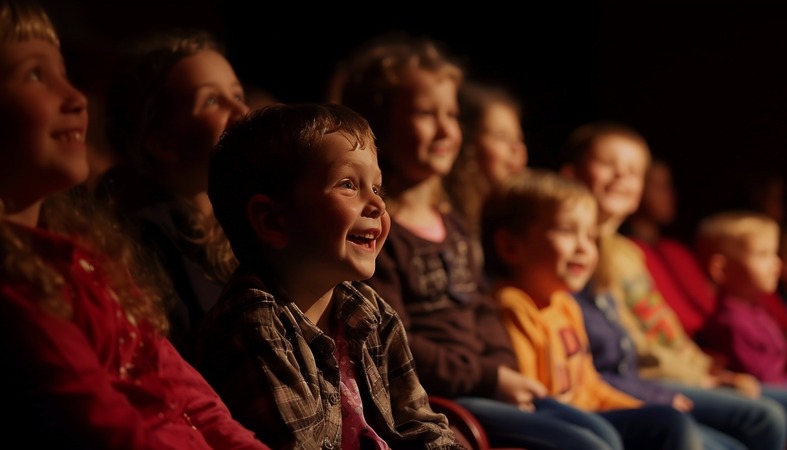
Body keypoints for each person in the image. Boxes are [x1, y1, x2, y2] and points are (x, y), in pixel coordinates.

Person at [331, 32, 629, 450]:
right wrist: (490, 378)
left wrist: (503, 371)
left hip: (490, 385)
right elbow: (394, 339)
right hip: (440, 397)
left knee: (603, 433)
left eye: (450, 114)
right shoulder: (379, 231)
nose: (444, 129)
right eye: (424, 114)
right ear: (378, 124)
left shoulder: (453, 224)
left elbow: (484, 311)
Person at [0, 1, 270, 448]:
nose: (76, 97)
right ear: (160, 141)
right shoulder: (19, 287)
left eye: (64, 73)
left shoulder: (92, 253)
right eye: (34, 74)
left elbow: (188, 393)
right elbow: (101, 423)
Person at [191, 103, 461, 449]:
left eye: (377, 189)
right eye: (348, 185)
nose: (378, 205)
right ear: (274, 221)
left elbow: (420, 425)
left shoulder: (371, 313)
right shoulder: (253, 324)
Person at [560, 120, 787, 450]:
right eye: (608, 164)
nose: (622, 176)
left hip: (669, 376)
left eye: (633, 170)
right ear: (571, 173)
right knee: (763, 417)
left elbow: (661, 325)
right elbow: (628, 347)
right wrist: (695, 379)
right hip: (641, 382)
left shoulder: (625, 252)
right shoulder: (571, 255)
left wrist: (703, 368)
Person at [482, 167, 707, 449]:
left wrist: (637, 406)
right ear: (510, 246)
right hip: (566, 422)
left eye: (590, 236)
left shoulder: (565, 303)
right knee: (670, 427)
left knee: (671, 420)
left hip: (590, 412)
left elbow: (590, 384)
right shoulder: (514, 305)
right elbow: (535, 397)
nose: (584, 248)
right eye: (567, 231)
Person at [96, 28, 250, 358]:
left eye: (237, 95)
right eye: (211, 100)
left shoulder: (245, 222)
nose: (241, 113)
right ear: (163, 143)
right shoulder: (140, 240)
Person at [694, 210, 787, 388]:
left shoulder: (758, 311)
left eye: (775, 253)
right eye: (763, 254)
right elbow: (762, 379)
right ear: (721, 269)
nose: (776, 263)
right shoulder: (730, 323)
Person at [622, 158, 718, 337]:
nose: (670, 195)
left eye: (668, 186)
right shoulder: (628, 252)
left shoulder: (674, 251)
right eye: (659, 187)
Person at [444, 79, 529, 236]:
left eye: (519, 138)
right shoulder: (447, 217)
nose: (516, 149)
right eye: (501, 137)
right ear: (468, 144)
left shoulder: (520, 217)